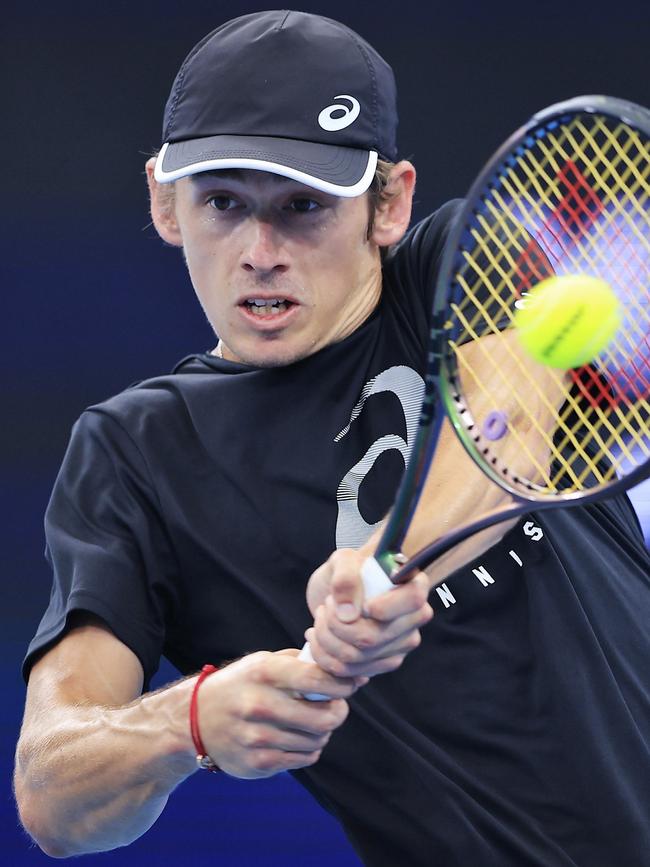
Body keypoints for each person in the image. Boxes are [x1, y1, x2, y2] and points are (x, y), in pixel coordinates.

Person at [14, 10, 650, 866]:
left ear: (389, 204)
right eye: (224, 203)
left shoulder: (461, 266)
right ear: (166, 203)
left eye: (304, 205)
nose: (260, 251)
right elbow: (53, 794)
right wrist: (189, 720)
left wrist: (393, 565)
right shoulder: (134, 456)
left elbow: (510, 423)